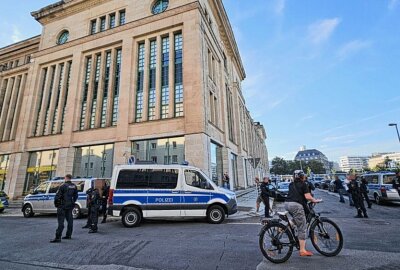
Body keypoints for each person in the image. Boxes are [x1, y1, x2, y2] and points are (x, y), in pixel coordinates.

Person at [285, 170, 321, 257]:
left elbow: (297, 195)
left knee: (299, 218)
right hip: (296, 206)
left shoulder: (291, 184)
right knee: (302, 227)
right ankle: (302, 250)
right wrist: (315, 200)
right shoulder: (303, 184)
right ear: (301, 176)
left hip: (287, 204)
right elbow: (307, 197)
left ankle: (283, 228)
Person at [50, 174, 78, 243]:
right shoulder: (74, 186)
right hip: (69, 205)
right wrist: (72, 202)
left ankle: (58, 237)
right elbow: (76, 196)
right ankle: (68, 235)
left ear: (65, 178)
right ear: (70, 178)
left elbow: (57, 196)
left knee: (61, 222)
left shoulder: (63, 186)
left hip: (62, 206)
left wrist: (57, 205)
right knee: (70, 221)